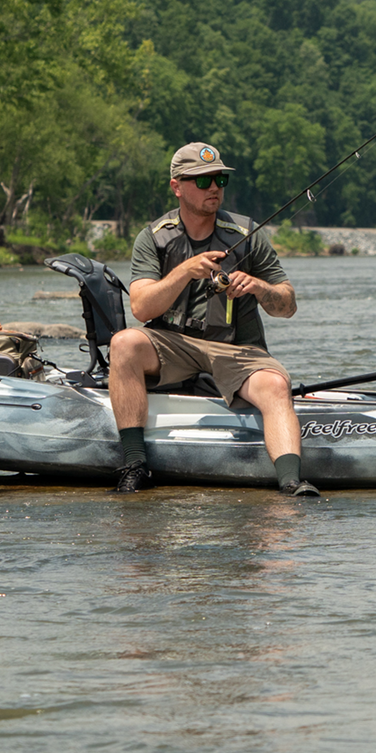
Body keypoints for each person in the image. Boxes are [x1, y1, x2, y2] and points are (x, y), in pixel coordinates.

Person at [107, 141, 317, 497]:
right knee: (124, 343)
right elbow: (141, 308)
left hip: (237, 349)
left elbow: (287, 305)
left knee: (275, 386)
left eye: (220, 179)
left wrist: (259, 287)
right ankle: (134, 466)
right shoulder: (154, 238)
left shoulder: (247, 235)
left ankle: (291, 482)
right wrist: (184, 271)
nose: (214, 188)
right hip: (173, 343)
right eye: (203, 181)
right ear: (177, 186)